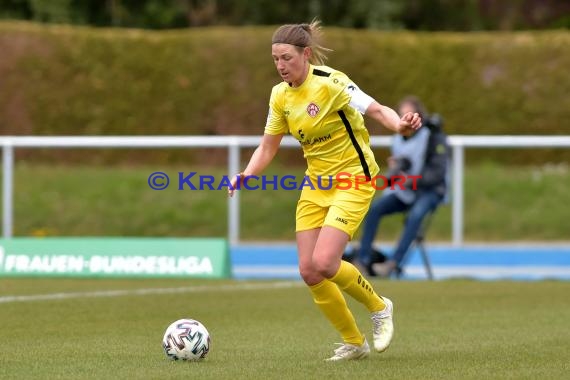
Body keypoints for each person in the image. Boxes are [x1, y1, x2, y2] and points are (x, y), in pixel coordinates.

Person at [227, 20, 422, 361]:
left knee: (325, 261)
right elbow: (268, 147)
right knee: (308, 269)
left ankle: (379, 307)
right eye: (275, 59)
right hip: (316, 185)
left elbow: (376, 109)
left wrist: (400, 126)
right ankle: (354, 341)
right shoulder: (280, 95)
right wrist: (247, 173)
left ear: (306, 54)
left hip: (354, 180)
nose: (280, 65)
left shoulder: (332, 82)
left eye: (286, 57)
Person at [355, 96, 449, 278]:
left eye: (409, 115)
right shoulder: (398, 139)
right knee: (374, 209)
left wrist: (412, 180)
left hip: (429, 191)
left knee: (415, 216)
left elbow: (437, 173)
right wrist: (395, 172)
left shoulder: (433, 137)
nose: (405, 118)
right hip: (407, 190)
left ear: (419, 116)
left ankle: (393, 264)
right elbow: (400, 171)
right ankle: (362, 260)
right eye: (401, 115)